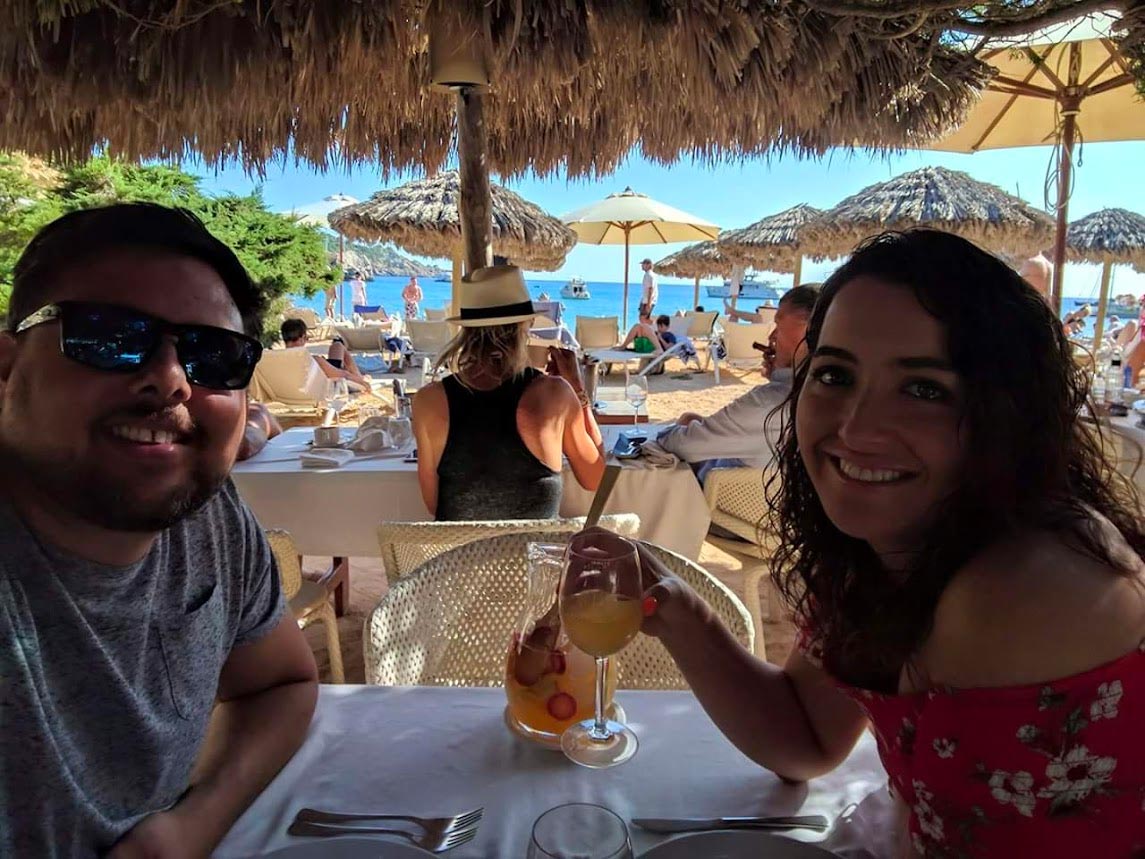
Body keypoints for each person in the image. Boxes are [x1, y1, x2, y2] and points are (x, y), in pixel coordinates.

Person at [625, 230, 1145, 856]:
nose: (856, 427)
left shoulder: (1026, 590)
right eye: (835, 375)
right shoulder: (889, 544)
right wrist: (676, 608)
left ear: (1007, 414)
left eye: (924, 389)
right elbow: (808, 738)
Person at [0, 203, 318, 856]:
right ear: (6, 368)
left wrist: (192, 825)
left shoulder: (207, 513)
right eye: (108, 337)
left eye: (213, 356)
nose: (171, 380)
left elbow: (281, 683)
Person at [411, 265, 605, 520]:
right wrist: (578, 389)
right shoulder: (555, 395)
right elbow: (596, 479)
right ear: (526, 325)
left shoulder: (427, 400)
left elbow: (434, 504)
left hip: (458, 547)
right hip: (536, 547)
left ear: (466, 329)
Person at [657, 285, 818, 482]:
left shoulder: (768, 403)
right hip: (772, 493)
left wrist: (664, 434)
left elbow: (683, 445)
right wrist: (778, 376)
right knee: (690, 418)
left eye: (779, 324)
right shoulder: (826, 402)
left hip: (716, 495)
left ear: (809, 331)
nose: (772, 336)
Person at [280, 318, 370, 389]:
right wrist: (362, 382)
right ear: (303, 337)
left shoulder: (278, 359)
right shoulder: (313, 361)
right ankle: (359, 376)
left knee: (337, 345)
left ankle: (358, 375)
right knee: (339, 346)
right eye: (306, 338)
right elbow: (344, 375)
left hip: (320, 373)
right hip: (331, 380)